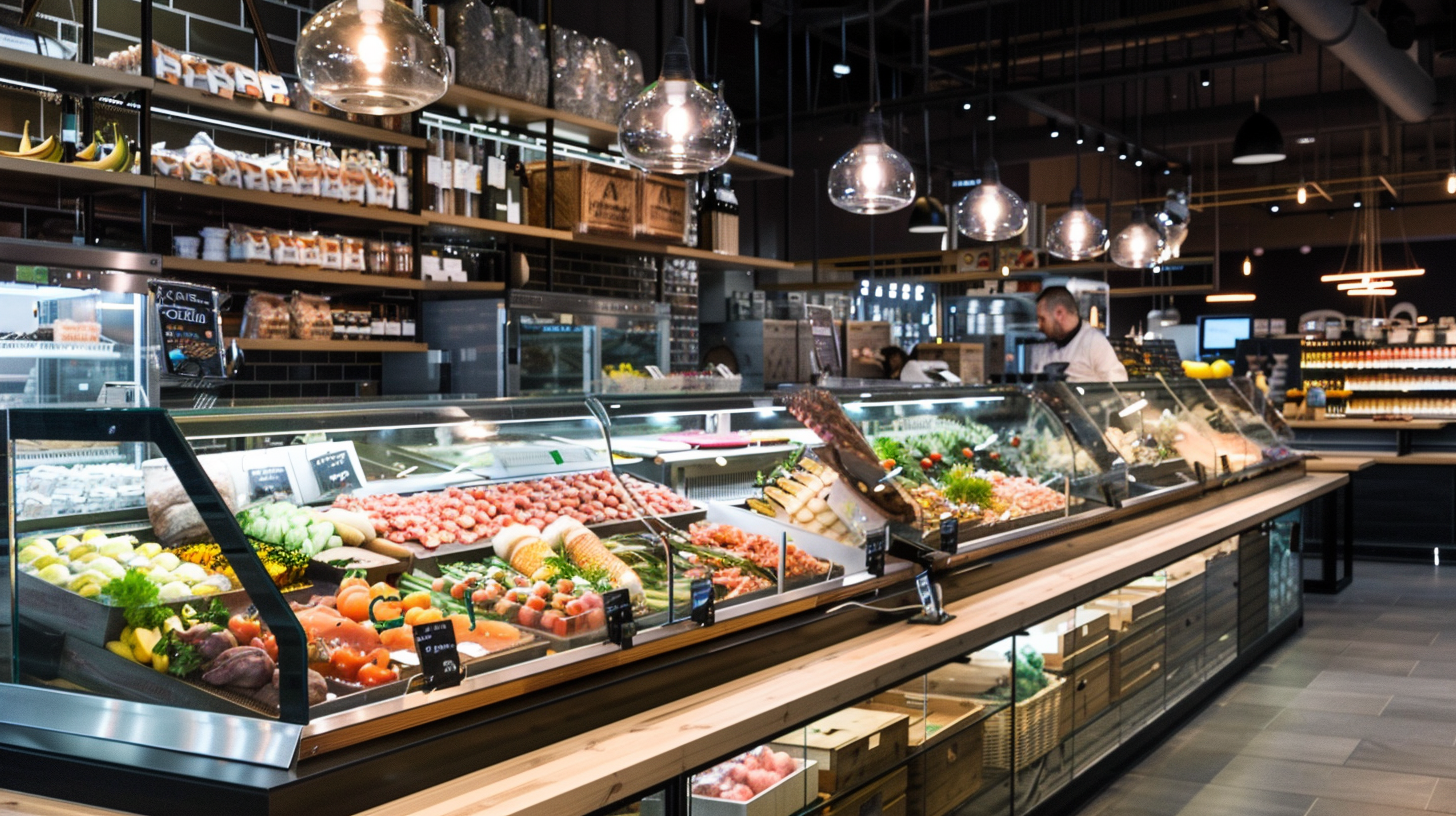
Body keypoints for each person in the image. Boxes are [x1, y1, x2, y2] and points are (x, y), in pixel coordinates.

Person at [1029, 286, 1128, 382]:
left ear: (1059, 313)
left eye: (1042, 319)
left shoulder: (1094, 342)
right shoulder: (1043, 345)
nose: (1039, 326)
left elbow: (1118, 383)